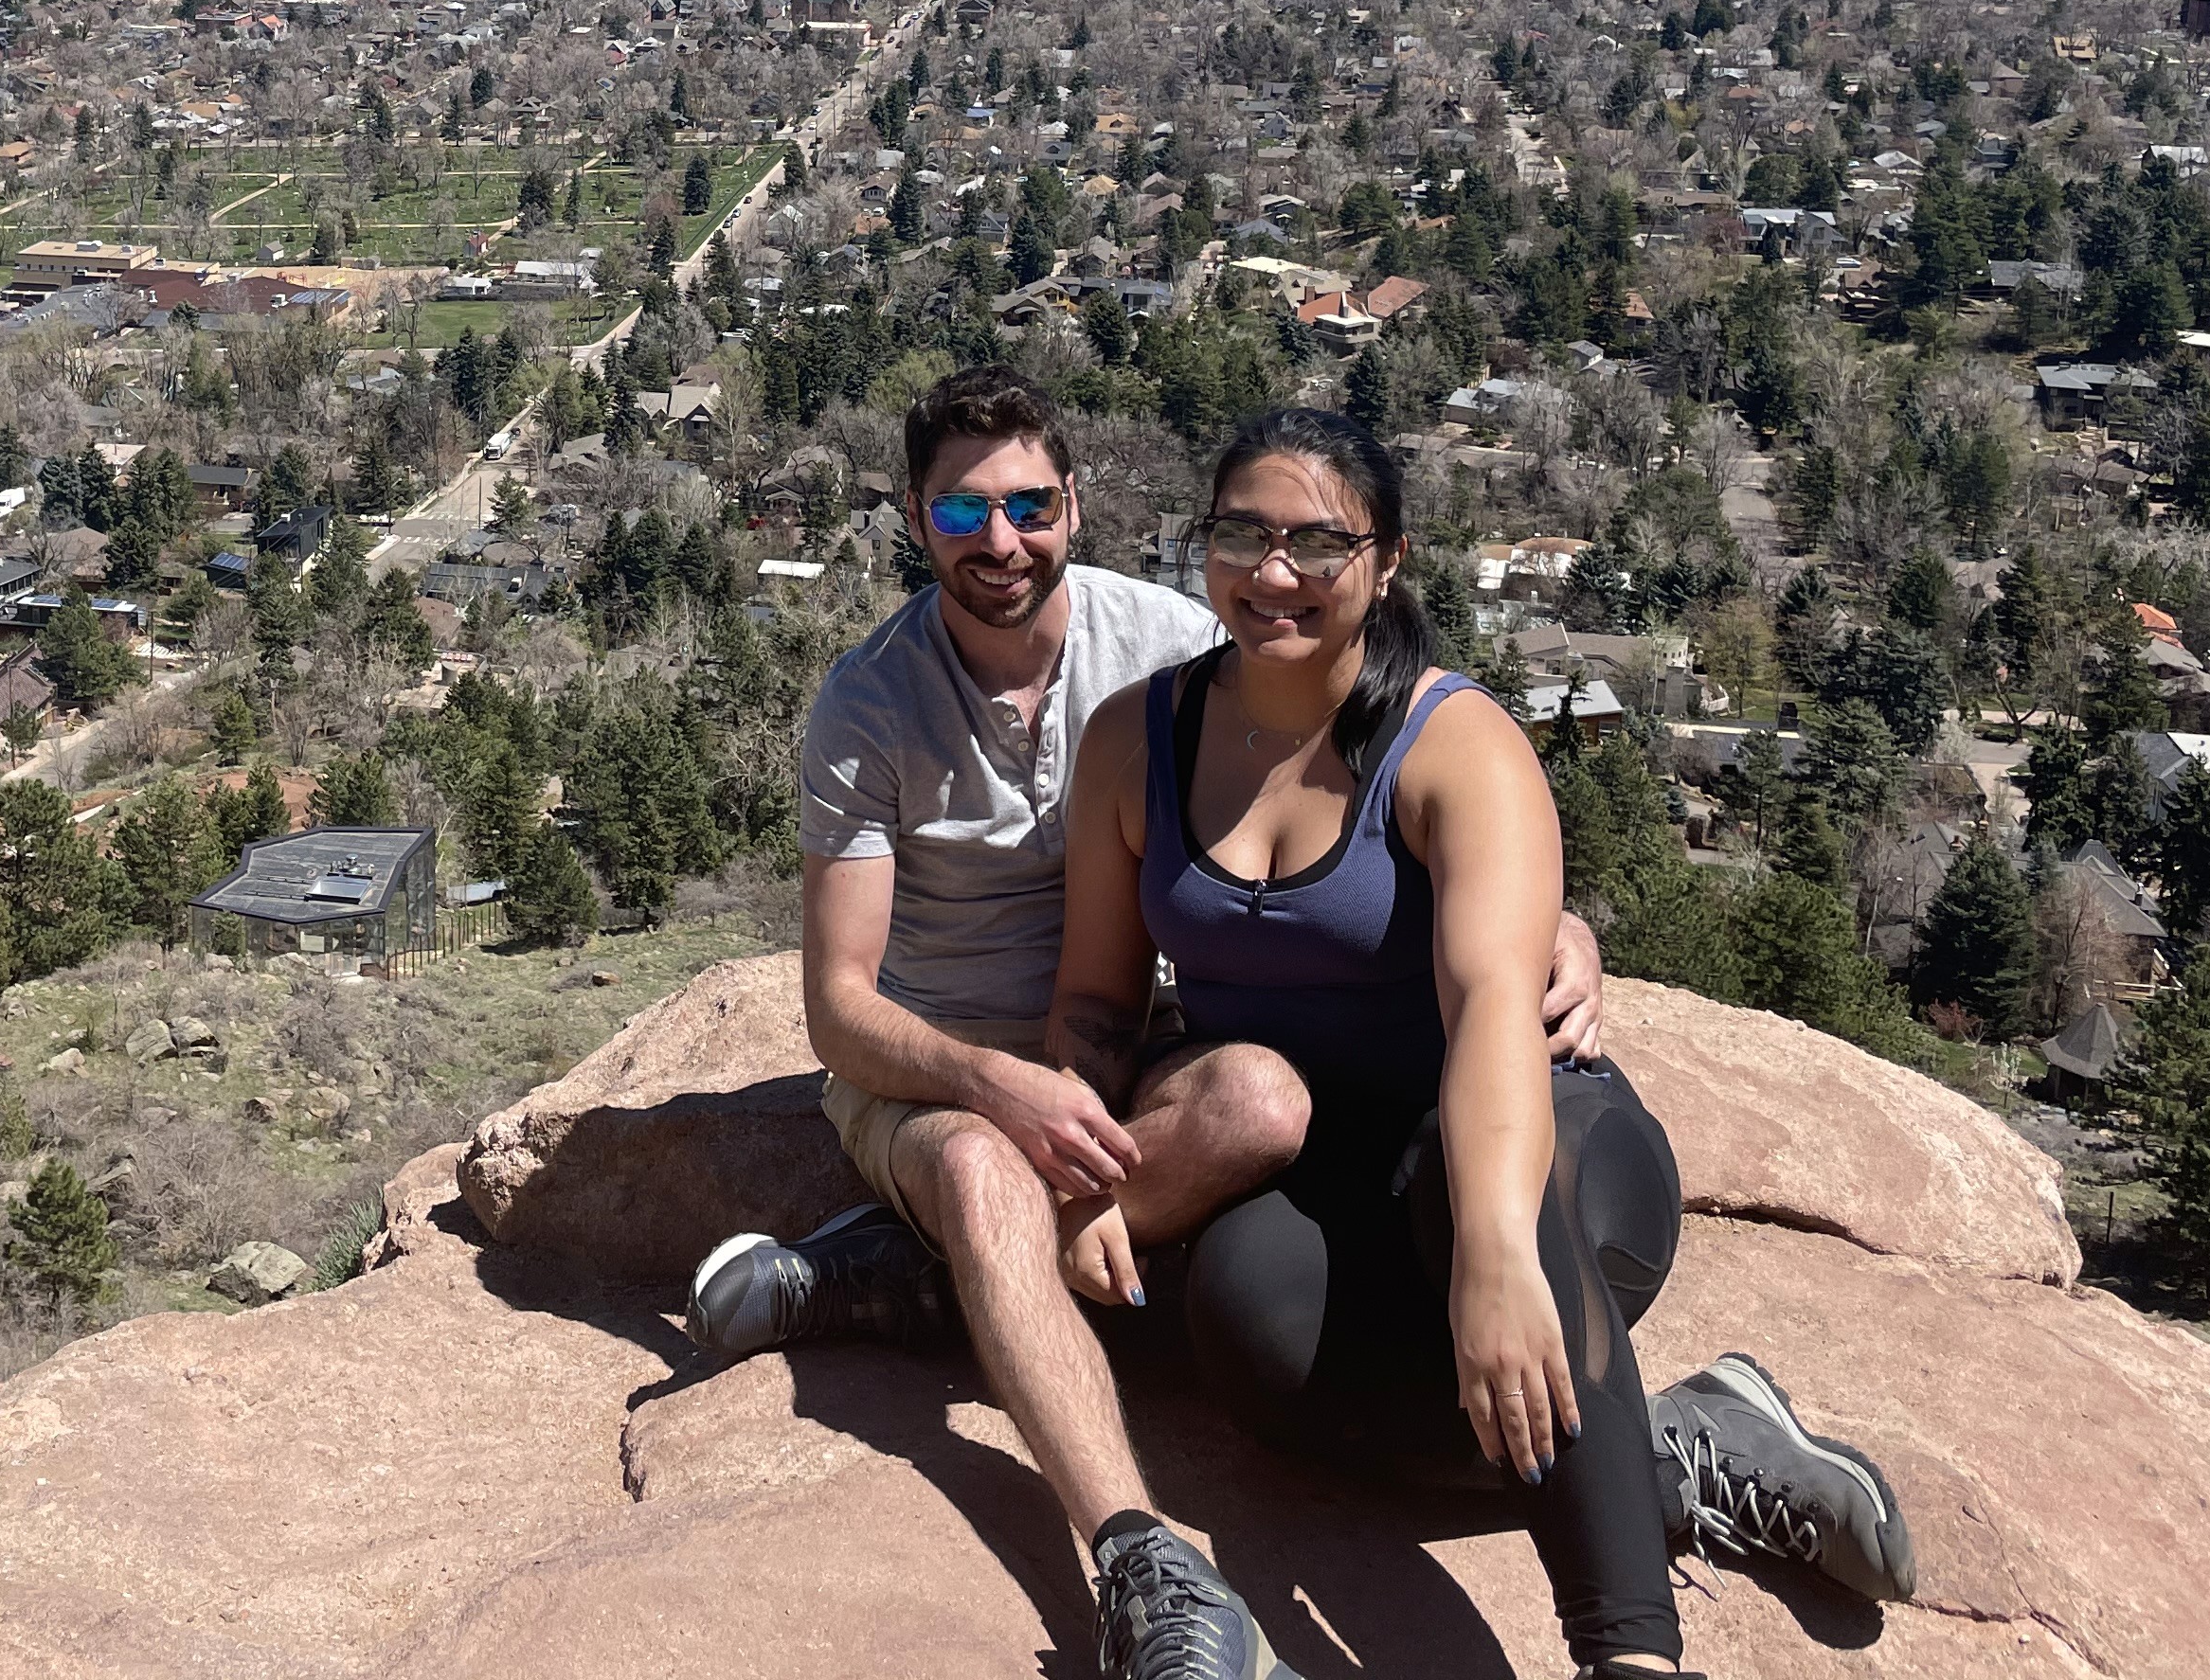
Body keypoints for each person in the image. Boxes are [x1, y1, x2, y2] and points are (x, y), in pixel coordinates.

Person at [687, 366, 1606, 1680]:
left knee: (1265, 1100)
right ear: (911, 518)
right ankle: (1142, 1560)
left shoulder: (1172, 645)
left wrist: (1539, 926)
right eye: (961, 514)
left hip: (1124, 1054)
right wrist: (995, 1090)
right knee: (978, 1169)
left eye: (1028, 505)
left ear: (1078, 501)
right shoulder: (868, 704)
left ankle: (929, 1281)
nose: (1000, 544)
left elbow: (1395, 748)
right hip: (930, 1069)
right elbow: (840, 1009)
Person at [1046, 403, 1914, 1680]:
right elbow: (1097, 1005)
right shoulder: (1141, 737)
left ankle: (1629, 1650)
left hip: (1537, 1141)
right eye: (1241, 533)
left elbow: (1498, 1013)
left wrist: (1500, 1254)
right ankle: (1676, 1446)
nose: (1272, 573)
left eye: (1316, 544)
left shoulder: (1456, 746)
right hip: (1328, 1180)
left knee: (1491, 1231)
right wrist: (1078, 1168)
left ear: (1386, 562)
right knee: (1247, 1341)